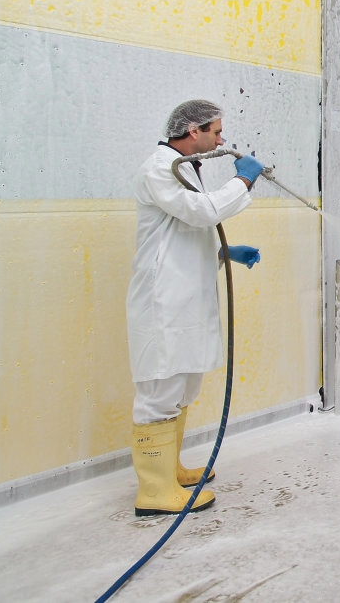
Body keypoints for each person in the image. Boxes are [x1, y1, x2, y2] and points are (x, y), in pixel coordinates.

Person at [124, 99, 264, 516]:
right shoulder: (159, 169)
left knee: (182, 388)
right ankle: (154, 492)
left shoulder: (183, 169)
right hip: (162, 304)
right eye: (215, 132)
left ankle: (171, 471)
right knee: (160, 392)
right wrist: (243, 181)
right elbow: (201, 212)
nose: (221, 141)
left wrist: (222, 253)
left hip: (182, 300)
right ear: (192, 131)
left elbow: (178, 232)